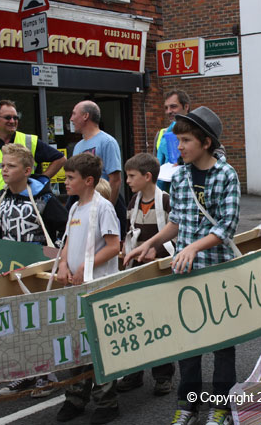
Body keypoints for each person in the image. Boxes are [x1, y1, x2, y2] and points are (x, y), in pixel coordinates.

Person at [124, 106, 240, 425]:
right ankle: (188, 405)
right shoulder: (180, 175)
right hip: (185, 271)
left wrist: (192, 247)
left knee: (222, 345)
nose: (180, 146)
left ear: (205, 142)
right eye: (179, 140)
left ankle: (222, 406)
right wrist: (148, 243)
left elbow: (226, 226)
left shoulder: (226, 175)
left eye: (186, 140)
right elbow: (176, 221)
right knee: (188, 342)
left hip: (218, 273)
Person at [0, 143, 67, 397]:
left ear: (26, 170)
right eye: (3, 165)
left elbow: (66, 229)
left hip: (37, 269)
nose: (4, 170)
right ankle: (24, 372)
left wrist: (58, 259)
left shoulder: (44, 199)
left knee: (39, 320)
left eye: (10, 166)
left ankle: (47, 374)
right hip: (10, 268)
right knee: (15, 322)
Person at [55, 153, 121, 424]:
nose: (66, 182)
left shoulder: (103, 207)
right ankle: (75, 397)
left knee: (98, 343)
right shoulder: (74, 207)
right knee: (76, 342)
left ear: (89, 181)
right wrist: (62, 264)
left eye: (71, 178)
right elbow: (69, 242)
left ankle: (107, 401)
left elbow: (114, 245)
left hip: (97, 287)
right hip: (75, 286)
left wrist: (87, 265)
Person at [116, 152, 175, 396]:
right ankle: (134, 372)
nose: (127, 180)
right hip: (138, 270)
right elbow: (131, 233)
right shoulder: (133, 203)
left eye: (131, 176)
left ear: (147, 176)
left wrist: (157, 250)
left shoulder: (166, 201)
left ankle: (163, 375)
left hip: (160, 272)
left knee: (158, 323)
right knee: (136, 323)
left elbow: (177, 234)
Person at [70, 100, 126, 239]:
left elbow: (115, 179)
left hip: (103, 202)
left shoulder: (107, 142)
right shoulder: (78, 146)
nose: (71, 119)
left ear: (85, 116)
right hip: (84, 204)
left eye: (74, 114)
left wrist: (108, 210)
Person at [155, 90, 191, 191]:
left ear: (186, 107)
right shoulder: (161, 134)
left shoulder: (199, 130)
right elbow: (156, 163)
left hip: (188, 190)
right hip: (164, 192)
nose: (169, 111)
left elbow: (217, 153)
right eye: (166, 108)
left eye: (173, 106)